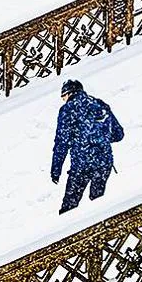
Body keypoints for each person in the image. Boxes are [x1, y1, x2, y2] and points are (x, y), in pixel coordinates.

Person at [51, 78, 124, 213]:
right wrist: (100, 140)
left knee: (69, 207)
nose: (63, 100)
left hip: (82, 165)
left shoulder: (67, 110)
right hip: (104, 162)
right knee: (97, 204)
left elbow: (62, 143)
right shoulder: (99, 105)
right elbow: (118, 134)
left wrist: (56, 170)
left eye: (63, 96)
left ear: (69, 93)